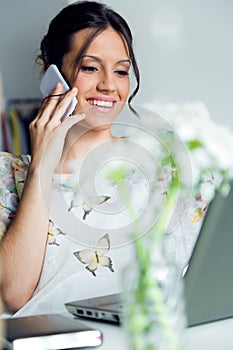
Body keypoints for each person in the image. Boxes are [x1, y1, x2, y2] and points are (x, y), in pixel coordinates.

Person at [0, 0, 143, 317]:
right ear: (52, 73)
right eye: (90, 67)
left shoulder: (155, 168)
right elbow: (14, 294)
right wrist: (42, 165)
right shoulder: (6, 175)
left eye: (121, 71)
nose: (108, 85)